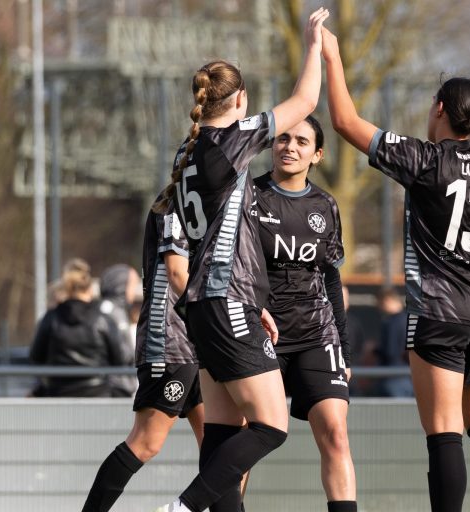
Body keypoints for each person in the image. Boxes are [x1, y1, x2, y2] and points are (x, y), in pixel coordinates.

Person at [323, 28, 470, 512]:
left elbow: (344, 121)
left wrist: (333, 57)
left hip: (441, 313)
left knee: (444, 431)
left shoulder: (424, 159)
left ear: (440, 108)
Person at [153, 8, 330, 512]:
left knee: (223, 432)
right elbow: (305, 102)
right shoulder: (232, 139)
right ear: (240, 100)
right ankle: (182, 508)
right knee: (272, 426)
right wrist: (313, 45)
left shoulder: (186, 153)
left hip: (205, 307)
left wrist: (255, 303)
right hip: (224, 302)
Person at [82, 196, 222, 511]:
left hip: (205, 343)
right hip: (172, 341)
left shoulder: (220, 199)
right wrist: (216, 316)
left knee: (220, 451)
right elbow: (176, 273)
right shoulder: (176, 202)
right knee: (146, 442)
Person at [254, 115, 357, 512]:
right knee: (245, 435)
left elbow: (331, 278)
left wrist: (344, 349)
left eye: (301, 141)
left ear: (317, 154)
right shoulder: (249, 196)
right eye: (283, 138)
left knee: (336, 433)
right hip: (262, 333)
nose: (290, 147)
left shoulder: (325, 205)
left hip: (317, 333)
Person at [29, 258, 127, 397]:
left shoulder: (51, 318)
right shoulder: (102, 319)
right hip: (98, 394)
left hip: (58, 395)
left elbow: (36, 357)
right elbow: (120, 359)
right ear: (90, 288)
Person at [99, 263, 141, 397]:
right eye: (132, 285)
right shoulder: (114, 313)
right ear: (121, 285)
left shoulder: (110, 309)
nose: (134, 292)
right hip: (116, 387)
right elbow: (124, 354)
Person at [375, 286, 414, 397]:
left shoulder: (392, 322)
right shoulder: (408, 319)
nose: (379, 307)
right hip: (406, 375)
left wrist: (375, 351)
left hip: (392, 376)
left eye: (380, 302)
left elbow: (390, 351)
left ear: (387, 300)